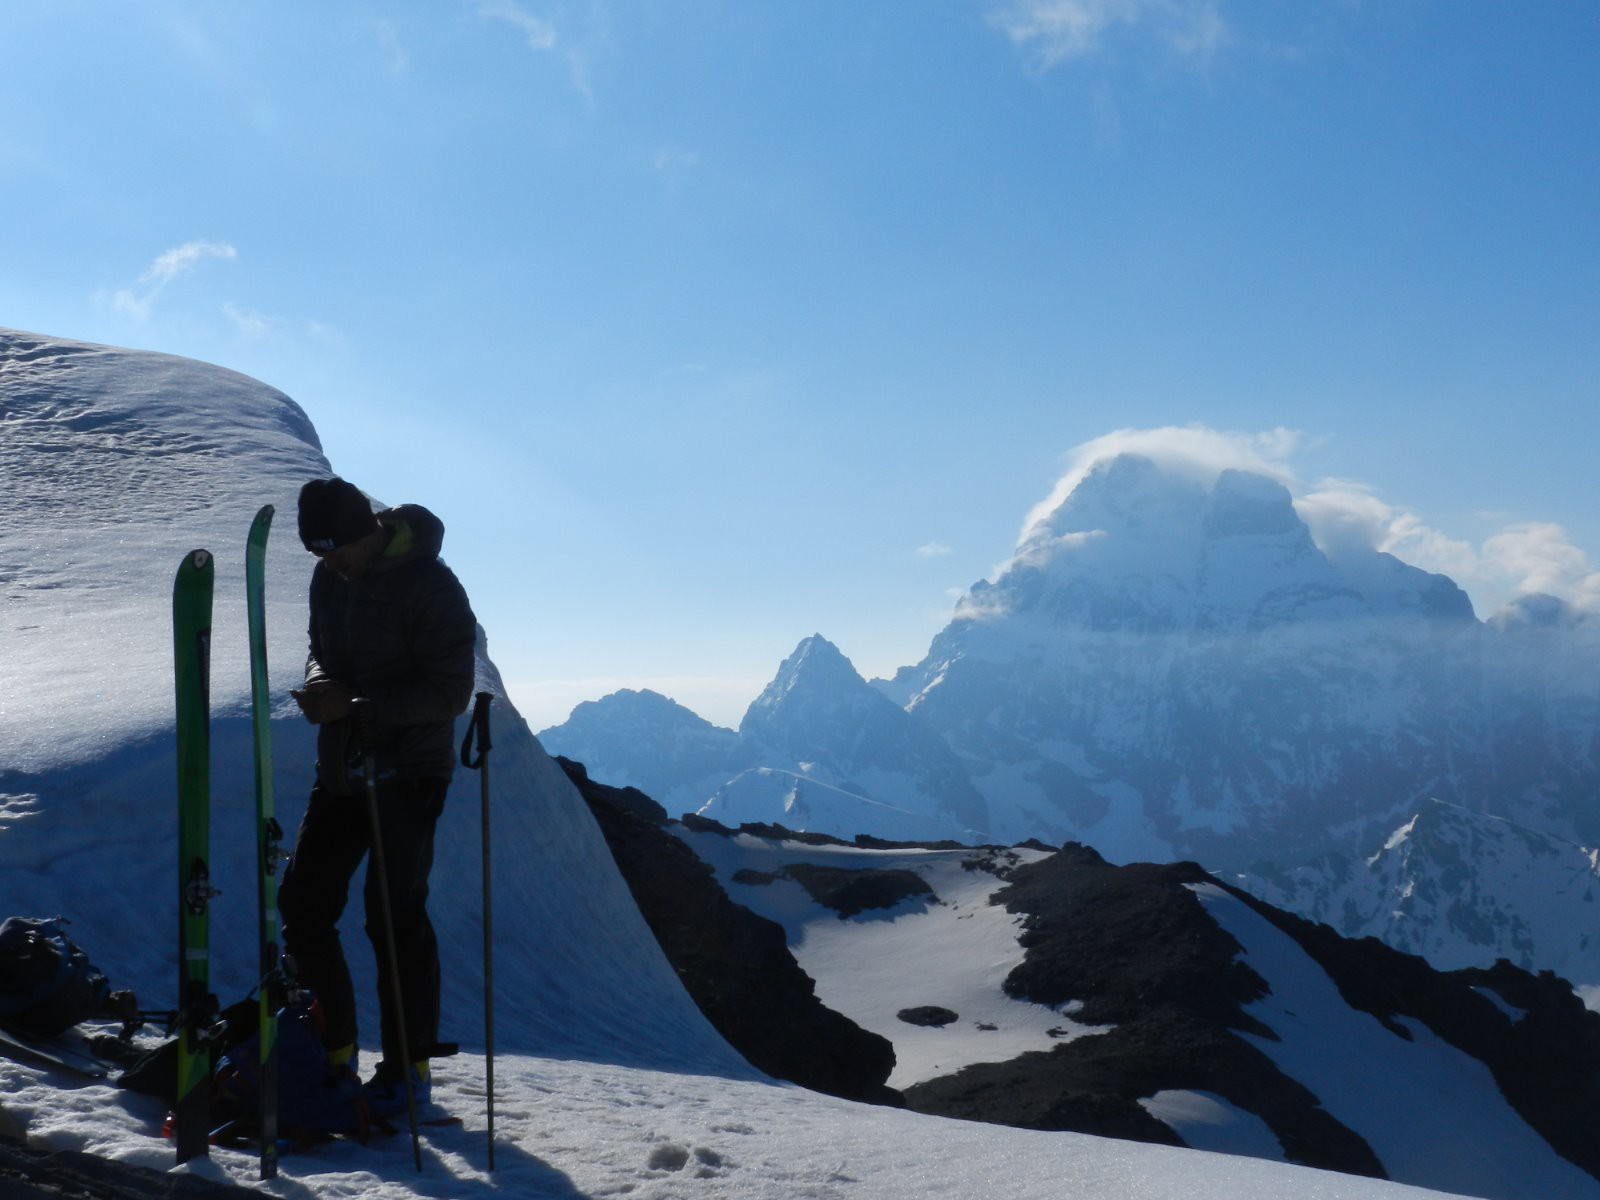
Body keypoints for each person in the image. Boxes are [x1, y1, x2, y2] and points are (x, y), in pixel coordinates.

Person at [278, 476, 477, 1116]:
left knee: (391, 918)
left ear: (371, 532)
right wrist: (319, 686)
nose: (331, 564)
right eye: (319, 555)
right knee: (304, 905)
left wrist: (355, 705)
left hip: (410, 774)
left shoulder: (432, 586)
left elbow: (448, 694)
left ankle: (406, 1072)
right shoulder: (329, 578)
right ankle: (332, 1054)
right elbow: (318, 650)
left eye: (338, 550)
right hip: (342, 768)